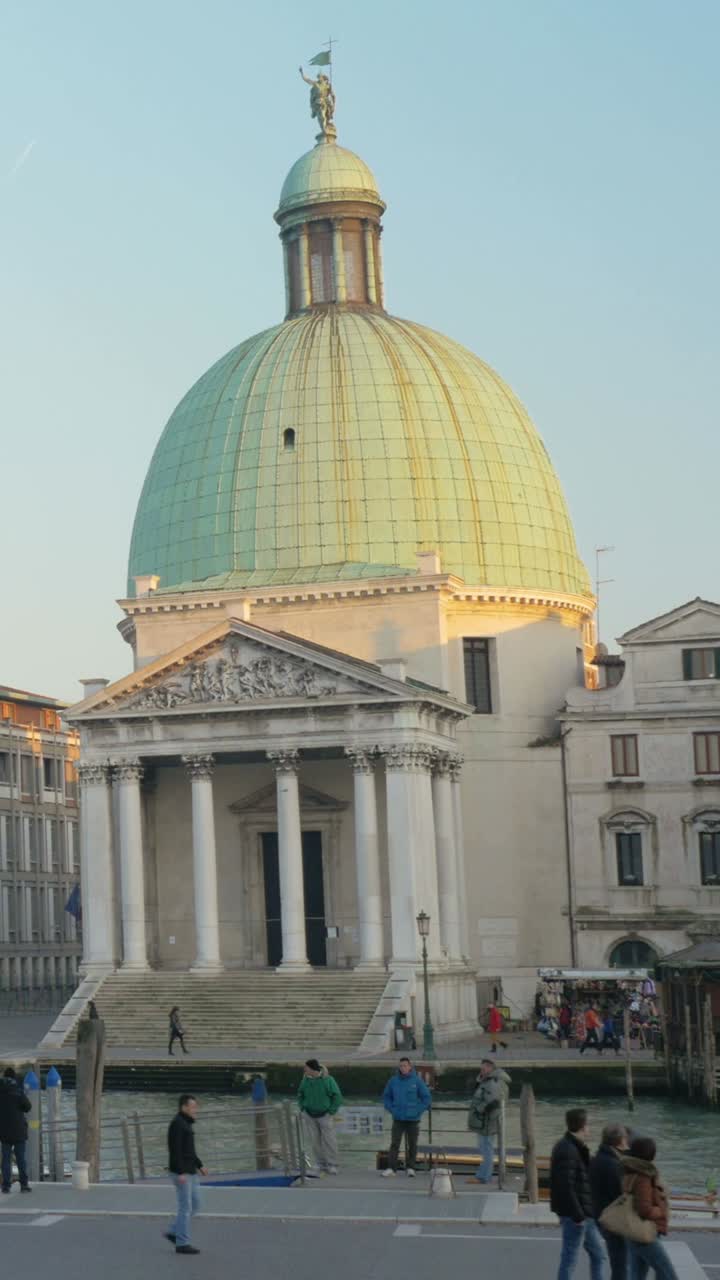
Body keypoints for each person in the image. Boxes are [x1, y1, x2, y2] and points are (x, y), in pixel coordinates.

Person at [550, 1107, 607, 1280]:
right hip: (576, 1215)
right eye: (588, 1125)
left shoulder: (575, 1146)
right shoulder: (568, 1149)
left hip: (584, 1213)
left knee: (599, 1255)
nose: (590, 1129)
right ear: (582, 1126)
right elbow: (565, 1186)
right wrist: (578, 1216)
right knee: (570, 1258)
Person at [623, 1137, 679, 1280]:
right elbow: (644, 1209)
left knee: (637, 1275)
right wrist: (661, 1211)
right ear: (650, 1155)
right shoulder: (643, 1176)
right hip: (645, 1233)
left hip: (634, 1231)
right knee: (667, 1274)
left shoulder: (630, 1170)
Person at [165, 1094, 208, 1255]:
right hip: (182, 1173)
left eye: (196, 1106)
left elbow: (189, 1150)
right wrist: (180, 1171)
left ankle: (173, 1232)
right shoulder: (177, 1124)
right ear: (184, 1107)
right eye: (193, 1106)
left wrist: (200, 1165)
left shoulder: (186, 1123)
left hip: (191, 1171)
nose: (195, 1109)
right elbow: (175, 1150)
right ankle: (182, 1243)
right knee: (186, 1207)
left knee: (195, 1205)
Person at [590, 1122, 629, 1279]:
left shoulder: (597, 1158)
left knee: (618, 1262)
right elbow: (620, 1194)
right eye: (625, 1137)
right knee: (621, 1264)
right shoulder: (614, 1164)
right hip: (614, 1220)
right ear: (620, 1140)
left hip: (600, 1215)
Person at [381, 1057, 431, 1178]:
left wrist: (418, 1111)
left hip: (413, 1119)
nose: (403, 1068)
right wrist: (392, 1109)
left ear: (410, 1067)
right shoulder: (393, 1081)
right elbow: (386, 1097)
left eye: (405, 1065)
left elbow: (426, 1098)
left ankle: (411, 1168)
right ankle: (391, 1168)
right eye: (401, 1066)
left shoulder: (417, 1081)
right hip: (398, 1118)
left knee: (413, 1144)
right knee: (394, 1144)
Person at [467, 1058, 511, 1184]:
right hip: (485, 1121)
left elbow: (494, 1101)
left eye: (484, 1068)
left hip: (487, 1121)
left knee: (486, 1149)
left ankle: (483, 1177)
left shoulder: (494, 1082)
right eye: (481, 1068)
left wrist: (479, 1109)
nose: (482, 1070)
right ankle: (484, 1175)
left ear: (491, 1068)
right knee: (485, 1148)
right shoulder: (489, 1081)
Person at [297, 1058, 343, 1175]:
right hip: (309, 1114)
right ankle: (320, 1163)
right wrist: (302, 1108)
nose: (304, 1070)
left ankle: (332, 1164)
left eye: (306, 1068)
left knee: (329, 1140)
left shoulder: (328, 1080)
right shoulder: (305, 1080)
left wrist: (331, 1111)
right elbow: (300, 1094)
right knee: (314, 1141)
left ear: (312, 1069)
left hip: (325, 1115)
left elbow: (337, 1096)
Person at [0, 1067, 32, 1195]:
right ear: (14, 1077)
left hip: (4, 1131)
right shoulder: (18, 1091)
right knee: (21, 1159)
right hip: (19, 1130)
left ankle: (6, 1186)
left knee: (6, 1160)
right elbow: (28, 1107)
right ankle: (24, 1185)